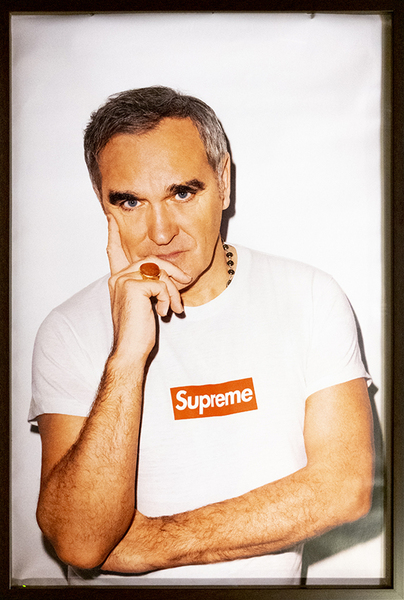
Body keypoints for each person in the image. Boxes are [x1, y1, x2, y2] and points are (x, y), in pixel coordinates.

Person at [29, 86, 374, 585]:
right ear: (102, 204)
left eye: (182, 193)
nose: (160, 232)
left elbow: (344, 488)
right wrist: (127, 356)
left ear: (224, 183)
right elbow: (80, 541)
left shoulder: (309, 297)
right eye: (130, 202)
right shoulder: (68, 329)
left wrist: (152, 544)